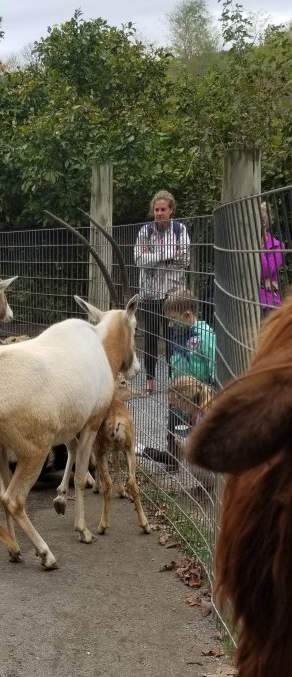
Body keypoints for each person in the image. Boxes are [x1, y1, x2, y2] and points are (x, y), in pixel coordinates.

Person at [140, 292, 215, 471]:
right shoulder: (177, 332)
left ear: (187, 314)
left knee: (201, 429)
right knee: (174, 426)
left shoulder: (204, 335)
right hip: (180, 391)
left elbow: (213, 362)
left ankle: (205, 468)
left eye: (173, 318)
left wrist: (212, 389)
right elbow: (173, 359)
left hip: (199, 392)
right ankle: (172, 458)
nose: (170, 323)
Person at [134, 190, 191, 394]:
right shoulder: (145, 232)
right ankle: (149, 381)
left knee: (171, 338)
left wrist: (153, 255)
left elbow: (185, 259)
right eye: (156, 209)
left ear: (171, 210)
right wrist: (168, 254)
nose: (159, 213)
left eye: (163, 209)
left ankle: (172, 380)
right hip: (150, 293)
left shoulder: (180, 230)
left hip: (173, 294)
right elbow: (139, 260)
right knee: (150, 338)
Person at [260, 201, 285, 310]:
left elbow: (267, 270)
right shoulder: (241, 245)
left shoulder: (278, 246)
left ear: (265, 224)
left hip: (267, 302)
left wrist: (256, 247)